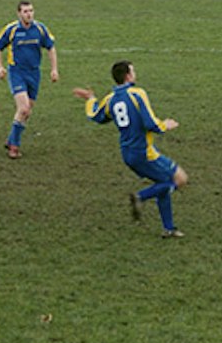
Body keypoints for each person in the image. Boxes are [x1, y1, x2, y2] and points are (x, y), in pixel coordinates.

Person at [74, 62, 186, 239]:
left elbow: (96, 116)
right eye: (133, 70)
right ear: (127, 76)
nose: (135, 73)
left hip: (127, 154)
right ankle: (140, 197)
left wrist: (90, 99)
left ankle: (169, 228)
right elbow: (150, 123)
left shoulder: (111, 99)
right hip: (144, 152)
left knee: (162, 182)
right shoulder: (137, 93)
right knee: (179, 179)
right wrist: (166, 125)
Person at [0, 0, 59, 159]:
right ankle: (14, 147)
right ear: (19, 13)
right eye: (26, 11)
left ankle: (11, 139)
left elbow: (50, 47)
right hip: (17, 73)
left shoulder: (40, 29)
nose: (29, 14)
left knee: (26, 112)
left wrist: (54, 69)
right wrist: (0, 67)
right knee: (24, 108)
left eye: (31, 11)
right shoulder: (12, 29)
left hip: (34, 74)